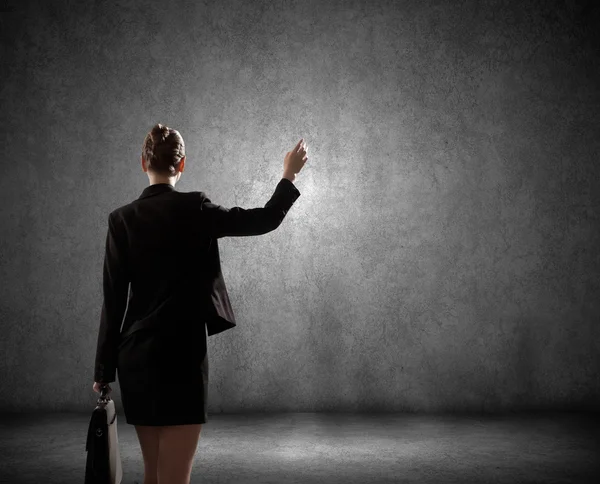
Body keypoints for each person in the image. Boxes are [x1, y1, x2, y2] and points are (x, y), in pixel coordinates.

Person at [92, 123, 308, 484]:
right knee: (175, 478)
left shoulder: (121, 220)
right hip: (182, 356)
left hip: (136, 357)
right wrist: (288, 174)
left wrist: (102, 372)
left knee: (153, 473)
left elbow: (113, 300)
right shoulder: (197, 208)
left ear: (142, 161)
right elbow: (264, 220)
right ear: (182, 165)